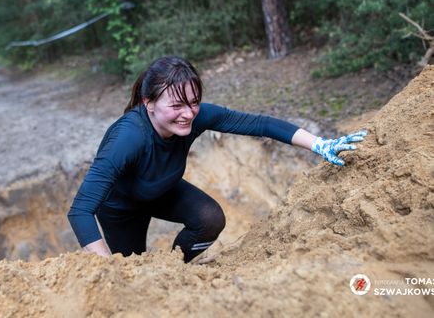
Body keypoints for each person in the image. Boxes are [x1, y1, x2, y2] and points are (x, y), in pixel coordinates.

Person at [67, 56, 366, 262]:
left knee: (210, 219)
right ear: (149, 103)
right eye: (178, 105)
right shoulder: (129, 137)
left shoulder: (193, 117)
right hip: (121, 209)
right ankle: (148, 273)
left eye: (194, 102)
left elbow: (260, 124)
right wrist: (105, 268)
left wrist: (320, 144)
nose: (188, 113)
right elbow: (80, 210)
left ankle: (175, 270)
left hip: (160, 189)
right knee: (130, 278)